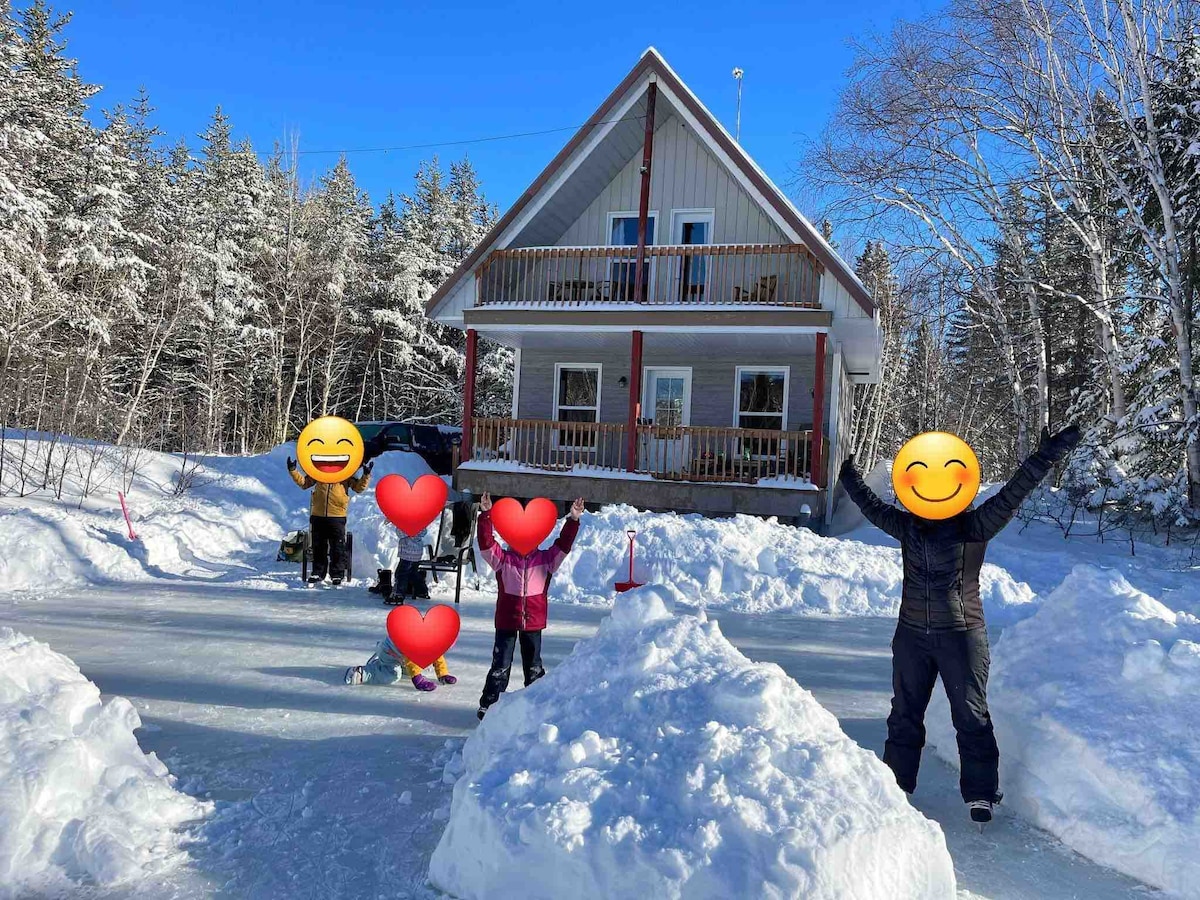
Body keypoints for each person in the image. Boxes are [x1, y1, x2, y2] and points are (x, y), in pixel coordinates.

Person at [838, 424, 1080, 825]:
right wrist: (850, 477)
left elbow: (1014, 492)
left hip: (962, 636)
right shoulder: (908, 526)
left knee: (970, 715)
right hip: (912, 635)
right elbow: (870, 507)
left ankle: (981, 794)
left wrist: (1046, 455)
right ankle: (897, 785)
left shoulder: (976, 525)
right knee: (904, 713)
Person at [476, 493, 584, 721]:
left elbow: (563, 546)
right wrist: (486, 515)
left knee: (533, 667)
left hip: (533, 621)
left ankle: (537, 703)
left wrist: (573, 520)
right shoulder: (503, 559)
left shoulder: (546, 560)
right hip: (506, 619)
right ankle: (489, 704)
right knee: (500, 665)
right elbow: (486, 545)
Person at [287, 456, 372, 585]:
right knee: (318, 546)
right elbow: (304, 483)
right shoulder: (319, 472)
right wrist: (293, 470)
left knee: (337, 547)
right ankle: (317, 573)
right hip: (318, 516)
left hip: (337, 516)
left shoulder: (346, 474)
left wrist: (366, 475)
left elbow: (359, 488)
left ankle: (337, 575)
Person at [344, 636, 456, 691]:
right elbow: (411, 660)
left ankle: (380, 665)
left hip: (399, 655)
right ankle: (362, 672)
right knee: (393, 676)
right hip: (388, 652)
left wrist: (443, 674)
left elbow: (437, 656)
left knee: (411, 669)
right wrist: (418, 680)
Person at [389, 531, 430, 604]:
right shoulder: (421, 521)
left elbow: (400, 534)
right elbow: (424, 532)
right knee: (412, 574)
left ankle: (399, 594)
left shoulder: (406, 524)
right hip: (417, 554)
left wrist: (399, 524)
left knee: (401, 574)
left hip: (407, 553)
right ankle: (422, 590)